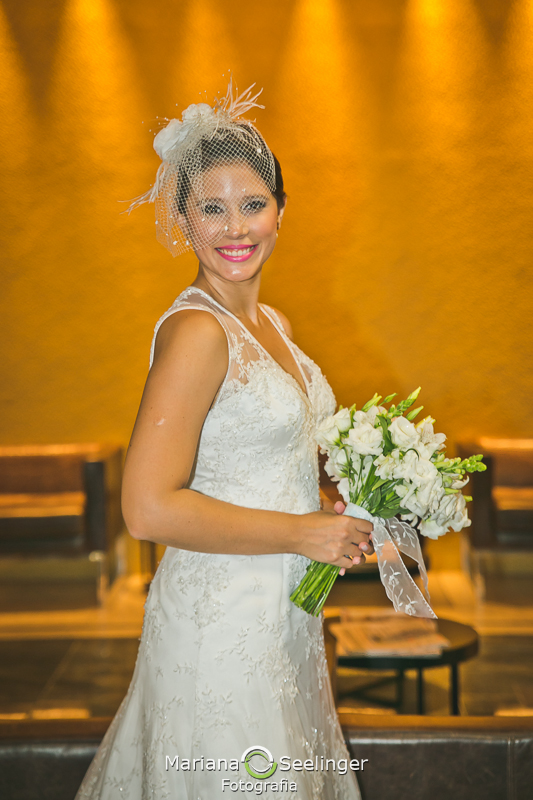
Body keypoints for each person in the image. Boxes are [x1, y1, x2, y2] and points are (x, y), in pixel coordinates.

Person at [75, 80, 373, 800]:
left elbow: (261, 465)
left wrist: (332, 507)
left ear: (280, 212)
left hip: (281, 621)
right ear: (183, 218)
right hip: (221, 625)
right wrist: (303, 532)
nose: (235, 229)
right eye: (211, 208)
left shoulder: (275, 326)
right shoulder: (197, 332)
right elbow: (146, 510)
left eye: (252, 205)